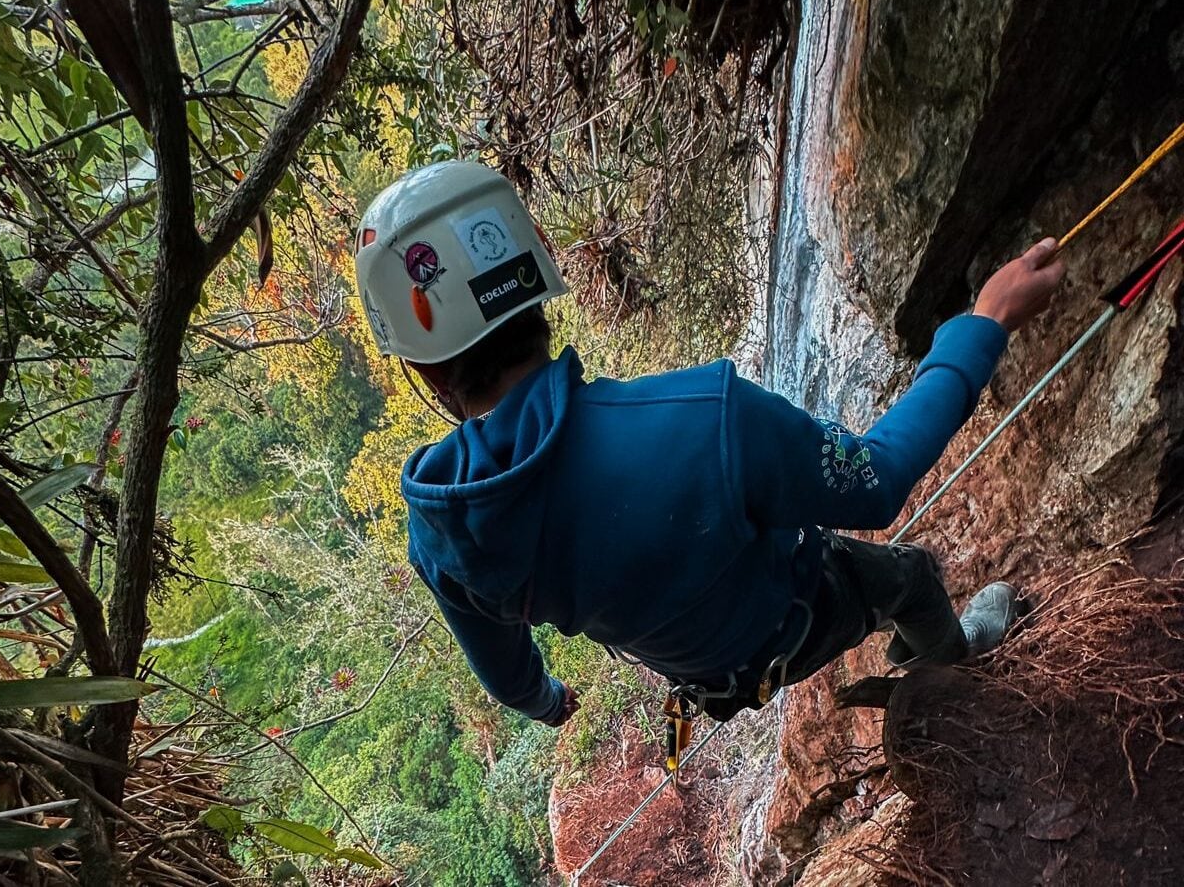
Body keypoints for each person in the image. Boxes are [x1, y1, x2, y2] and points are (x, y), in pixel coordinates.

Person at [354, 161, 1065, 726]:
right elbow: (875, 484)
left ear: (422, 367)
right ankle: (957, 661)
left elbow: (509, 675)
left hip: (710, 680)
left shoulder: (443, 533)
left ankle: (923, 657)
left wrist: (548, 701)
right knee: (909, 573)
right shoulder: (704, 416)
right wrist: (984, 323)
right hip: (802, 614)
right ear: (540, 280)